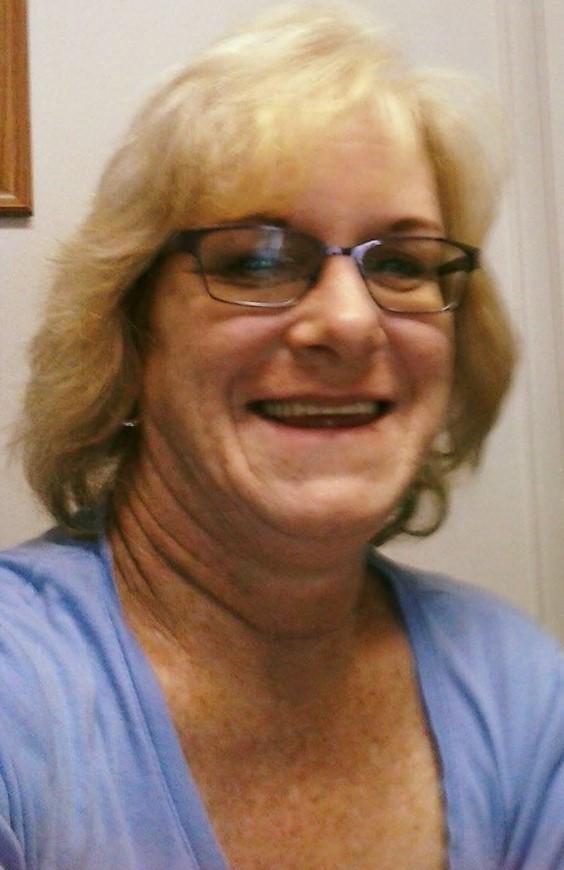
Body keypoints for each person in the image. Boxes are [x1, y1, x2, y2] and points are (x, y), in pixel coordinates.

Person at [2, 3, 563, 868]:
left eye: (400, 264)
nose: (351, 323)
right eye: (259, 259)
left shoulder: (522, 691)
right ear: (130, 336)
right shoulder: (19, 690)